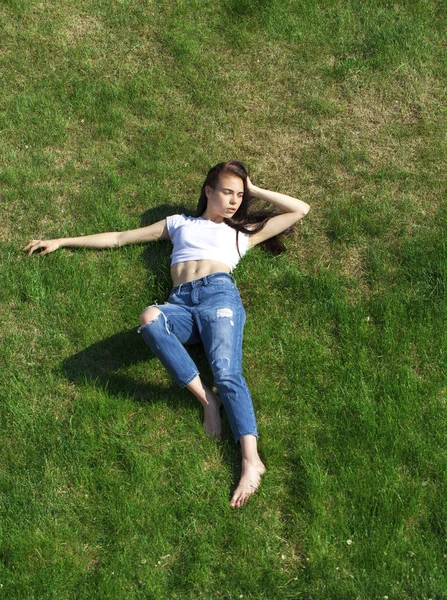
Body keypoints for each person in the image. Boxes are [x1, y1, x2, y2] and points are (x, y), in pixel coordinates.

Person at [24, 161, 310, 508]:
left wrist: (254, 188)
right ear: (208, 191)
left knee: (227, 372)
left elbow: (300, 209)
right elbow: (119, 238)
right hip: (181, 305)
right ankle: (208, 400)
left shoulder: (242, 232)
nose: (234, 201)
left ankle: (252, 460)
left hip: (220, 298)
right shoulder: (179, 224)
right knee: (149, 318)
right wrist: (62, 240)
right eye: (227, 192)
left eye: (240, 195)